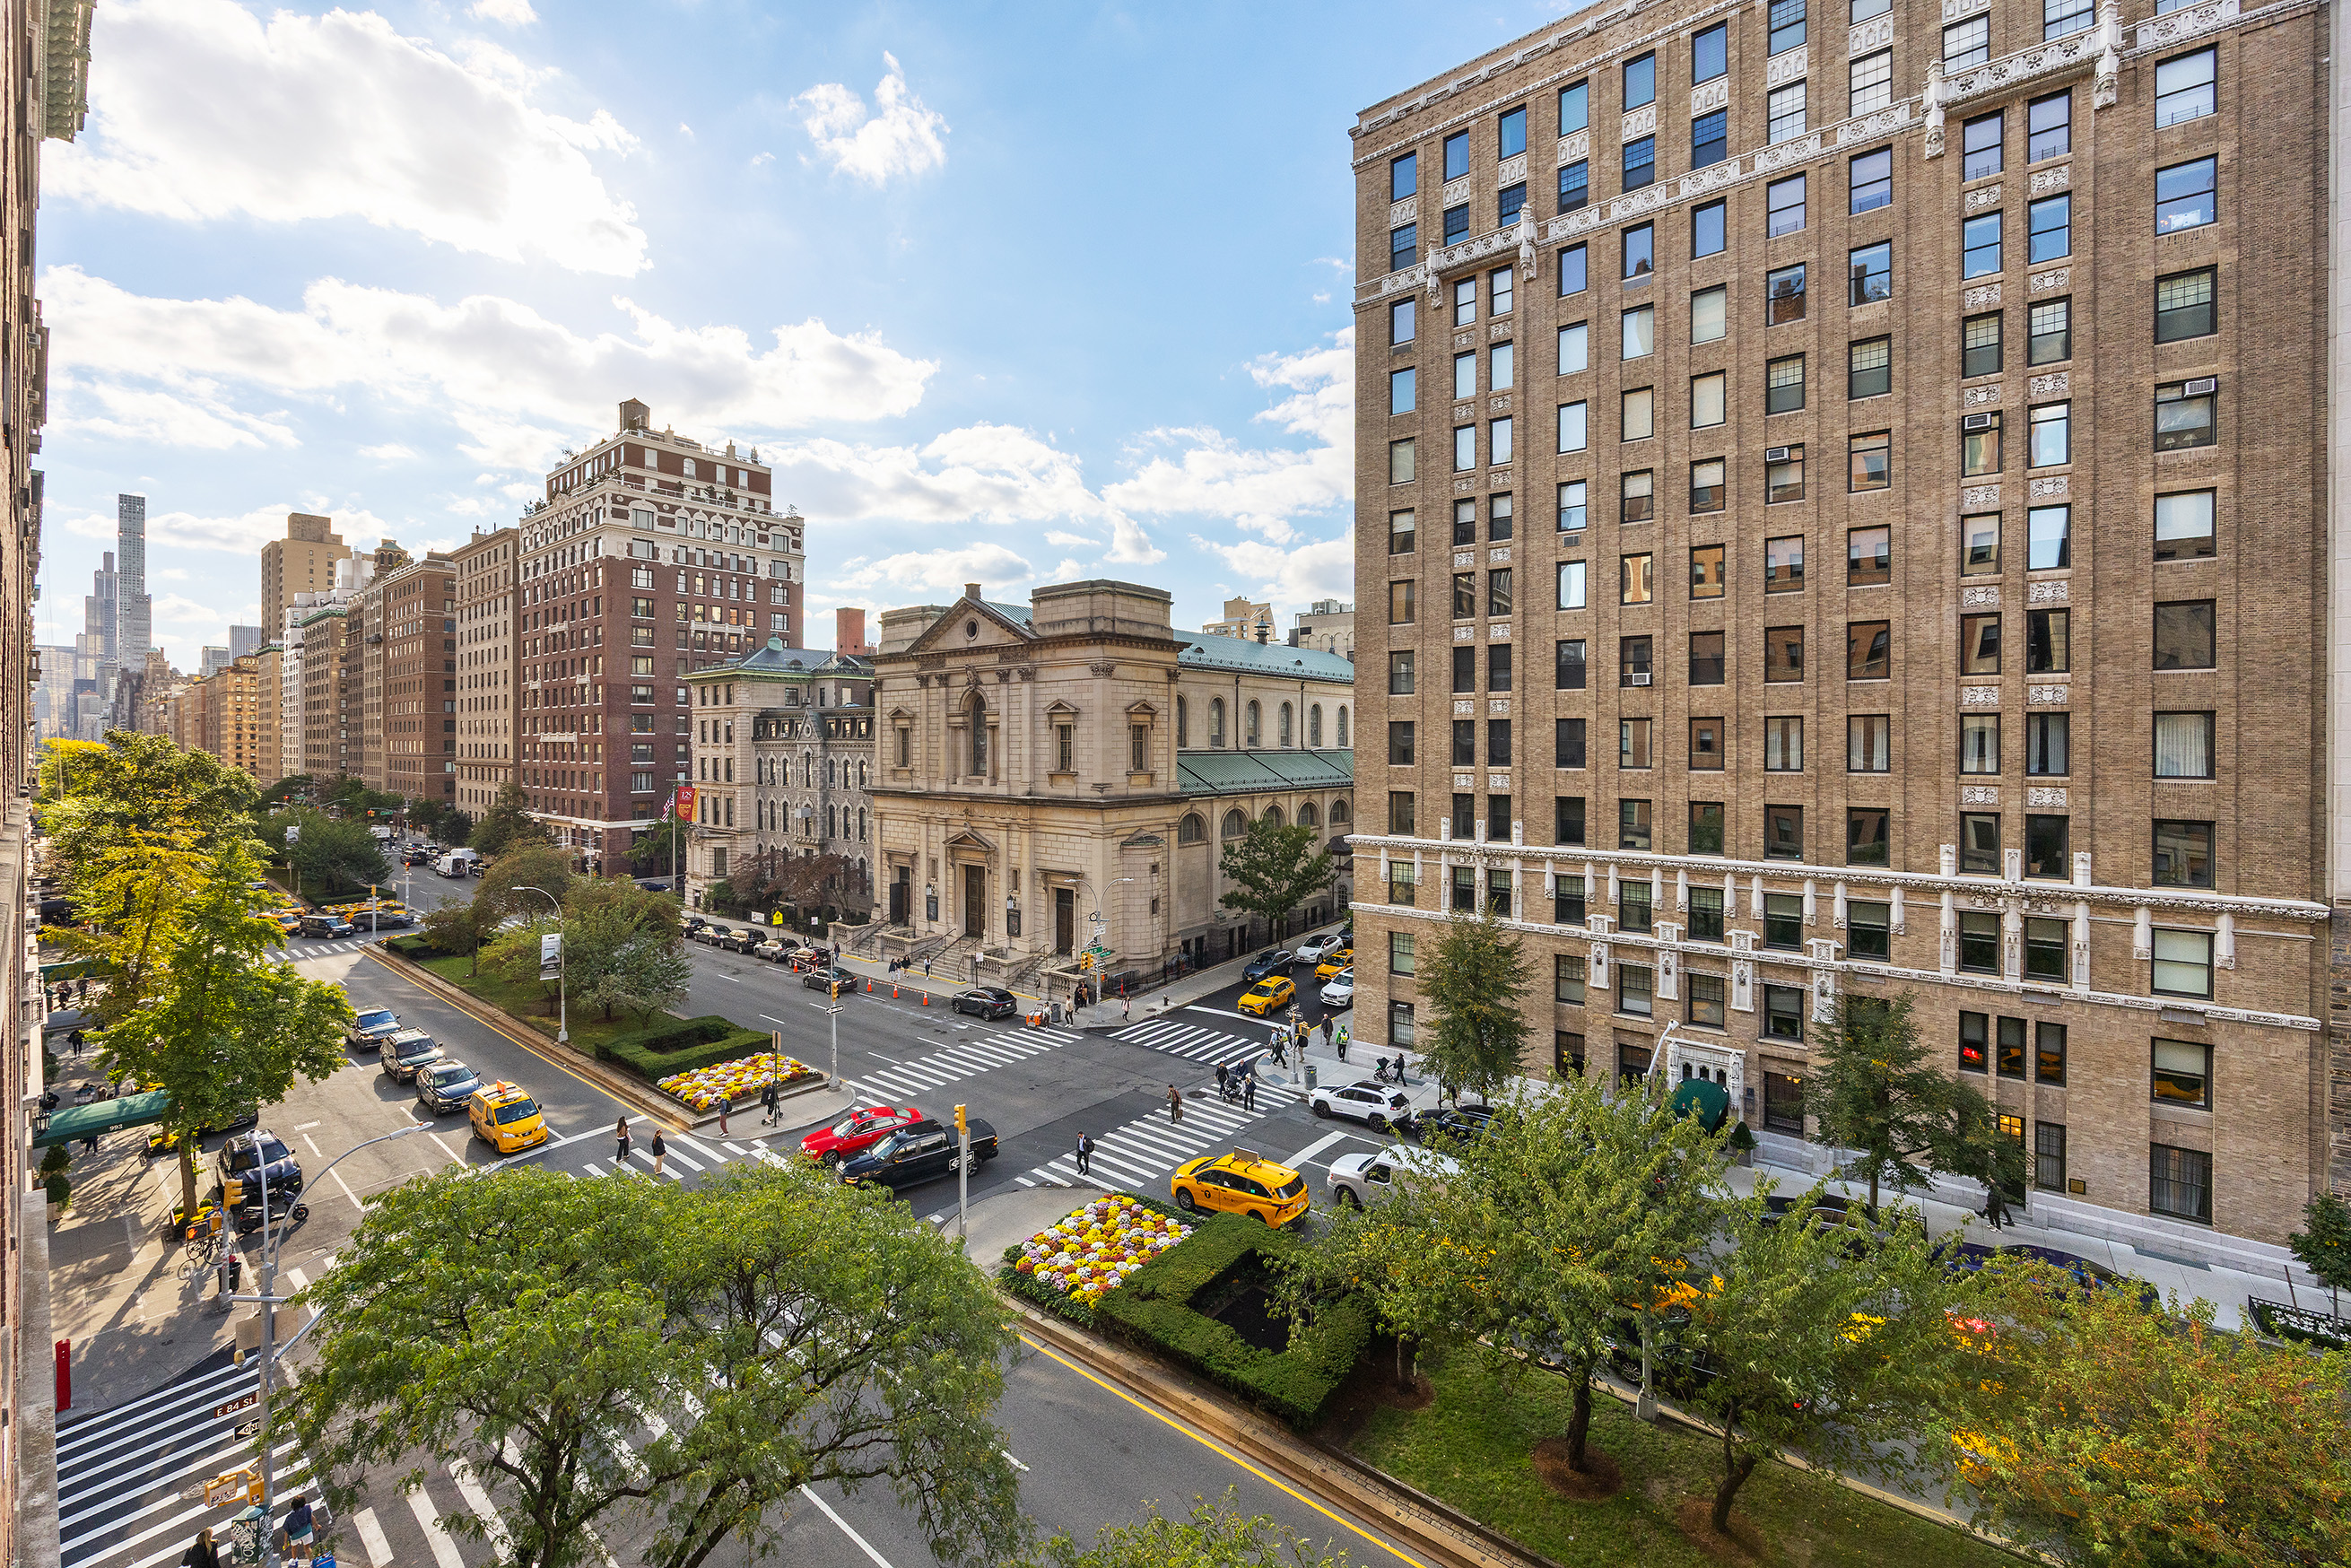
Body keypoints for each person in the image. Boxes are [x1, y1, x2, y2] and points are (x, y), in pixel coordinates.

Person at [283, 1494, 313, 1560]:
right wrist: (317, 1526)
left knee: (294, 1548)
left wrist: (285, 1542)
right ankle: (312, 1563)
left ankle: (294, 1561)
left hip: (295, 1535)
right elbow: (312, 1517)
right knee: (307, 1548)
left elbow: (287, 1530)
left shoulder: (290, 1517)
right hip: (307, 1531)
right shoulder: (307, 1508)